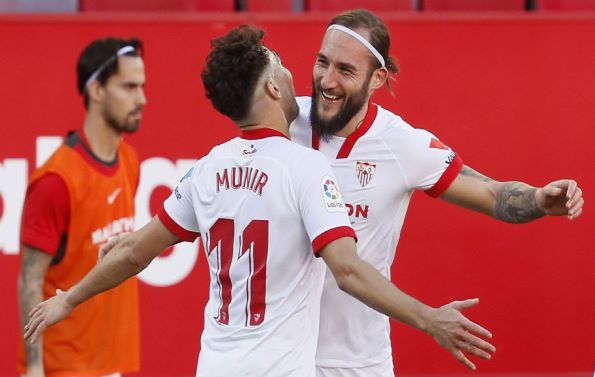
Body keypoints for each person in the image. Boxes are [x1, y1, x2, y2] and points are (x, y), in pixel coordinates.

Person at [23, 26, 496, 377]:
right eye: (282, 67)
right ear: (273, 88)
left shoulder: (209, 167)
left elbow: (132, 252)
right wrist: (429, 319)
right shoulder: (306, 167)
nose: (298, 76)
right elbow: (348, 271)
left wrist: (71, 300)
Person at [288, 9, 585, 377]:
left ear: (378, 78)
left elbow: (492, 194)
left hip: (357, 363)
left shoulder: (403, 144)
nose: (327, 80)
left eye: (345, 70)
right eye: (322, 62)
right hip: (279, 354)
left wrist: (539, 200)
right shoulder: (284, 122)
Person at [17, 37, 146, 377]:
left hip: (113, 364)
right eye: (129, 87)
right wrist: (33, 368)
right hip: (66, 368)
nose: (142, 99)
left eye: (142, 87)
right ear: (97, 90)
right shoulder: (56, 179)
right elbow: (30, 279)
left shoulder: (129, 161)